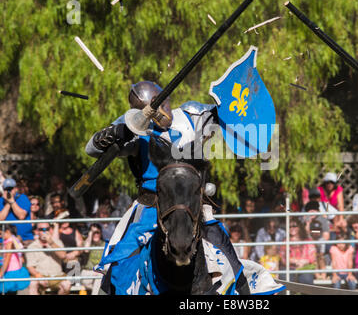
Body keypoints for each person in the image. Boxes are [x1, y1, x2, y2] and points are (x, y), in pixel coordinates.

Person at [85, 81, 283, 295]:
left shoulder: (193, 115)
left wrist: (234, 102)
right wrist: (115, 133)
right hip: (151, 206)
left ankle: (242, 293)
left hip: (192, 204)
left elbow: (230, 115)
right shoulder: (136, 126)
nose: (159, 113)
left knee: (225, 252)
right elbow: (92, 149)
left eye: (159, 104)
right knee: (120, 263)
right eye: (149, 110)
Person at [25, 222, 72, 295]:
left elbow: (63, 256)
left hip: (57, 276)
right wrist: (38, 276)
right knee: (32, 284)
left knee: (66, 285)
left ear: (50, 230)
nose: (44, 231)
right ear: (37, 231)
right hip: (41, 276)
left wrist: (51, 242)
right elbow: (30, 266)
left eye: (47, 229)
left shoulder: (57, 242)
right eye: (41, 229)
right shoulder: (32, 246)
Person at [279, 220, 316, 284]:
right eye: (289, 227)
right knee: (284, 278)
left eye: (294, 226)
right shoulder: (285, 241)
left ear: (299, 227)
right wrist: (294, 261)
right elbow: (282, 257)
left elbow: (313, 256)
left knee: (306, 279)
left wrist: (303, 262)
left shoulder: (307, 240)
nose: (292, 228)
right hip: (289, 267)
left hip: (305, 266)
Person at [0, 178, 34, 247]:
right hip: (5, 240)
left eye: (11, 189)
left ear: (15, 189)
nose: (9, 191)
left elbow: (21, 216)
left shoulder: (23, 198)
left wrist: (12, 201)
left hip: (25, 239)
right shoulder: (1, 201)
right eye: (6, 189)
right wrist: (8, 203)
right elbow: (1, 219)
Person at [0, 225, 30, 294]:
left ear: (7, 232)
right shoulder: (14, 240)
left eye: (0, 234)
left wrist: (1, 272)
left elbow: (7, 259)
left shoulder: (9, 243)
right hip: (16, 270)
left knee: (8, 291)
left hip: (10, 271)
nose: (0, 236)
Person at [52, 209, 84, 274]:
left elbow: (81, 245)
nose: (64, 221)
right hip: (61, 256)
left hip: (73, 256)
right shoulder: (56, 231)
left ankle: (74, 283)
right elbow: (55, 241)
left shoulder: (75, 231)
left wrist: (74, 253)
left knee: (73, 263)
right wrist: (56, 224)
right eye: (62, 219)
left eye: (66, 218)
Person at [81, 224, 105, 294]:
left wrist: (97, 270)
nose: (95, 235)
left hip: (99, 271)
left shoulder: (104, 244)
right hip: (87, 271)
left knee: (99, 277)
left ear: (101, 233)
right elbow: (86, 250)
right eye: (93, 233)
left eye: (97, 232)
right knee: (96, 285)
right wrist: (90, 234)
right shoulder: (87, 243)